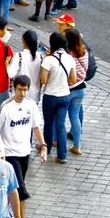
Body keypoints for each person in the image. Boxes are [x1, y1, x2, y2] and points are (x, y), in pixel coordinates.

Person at [0, 75, 47, 218]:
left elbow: (36, 127)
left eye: (26, 89)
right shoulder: (6, 107)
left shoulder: (31, 106)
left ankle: (8, 214)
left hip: (25, 152)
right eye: (20, 89)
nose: (23, 93)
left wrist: (43, 146)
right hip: (9, 154)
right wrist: (0, 154)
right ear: (13, 88)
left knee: (12, 188)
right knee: (20, 189)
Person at [40, 31, 76, 163]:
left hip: (50, 96)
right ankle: (62, 155)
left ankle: (47, 149)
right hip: (65, 95)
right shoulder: (70, 58)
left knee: (48, 124)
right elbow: (73, 78)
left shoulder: (48, 60)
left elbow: (43, 80)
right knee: (61, 126)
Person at [65, 29, 88, 156]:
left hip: (69, 89)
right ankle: (77, 146)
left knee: (61, 118)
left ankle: (58, 143)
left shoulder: (68, 55)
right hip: (81, 87)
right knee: (75, 117)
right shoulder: (83, 51)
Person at [6, 29, 43, 103]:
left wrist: (6, 63)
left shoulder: (19, 56)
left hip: (20, 95)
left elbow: (11, 74)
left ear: (23, 40)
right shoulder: (41, 56)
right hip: (35, 95)